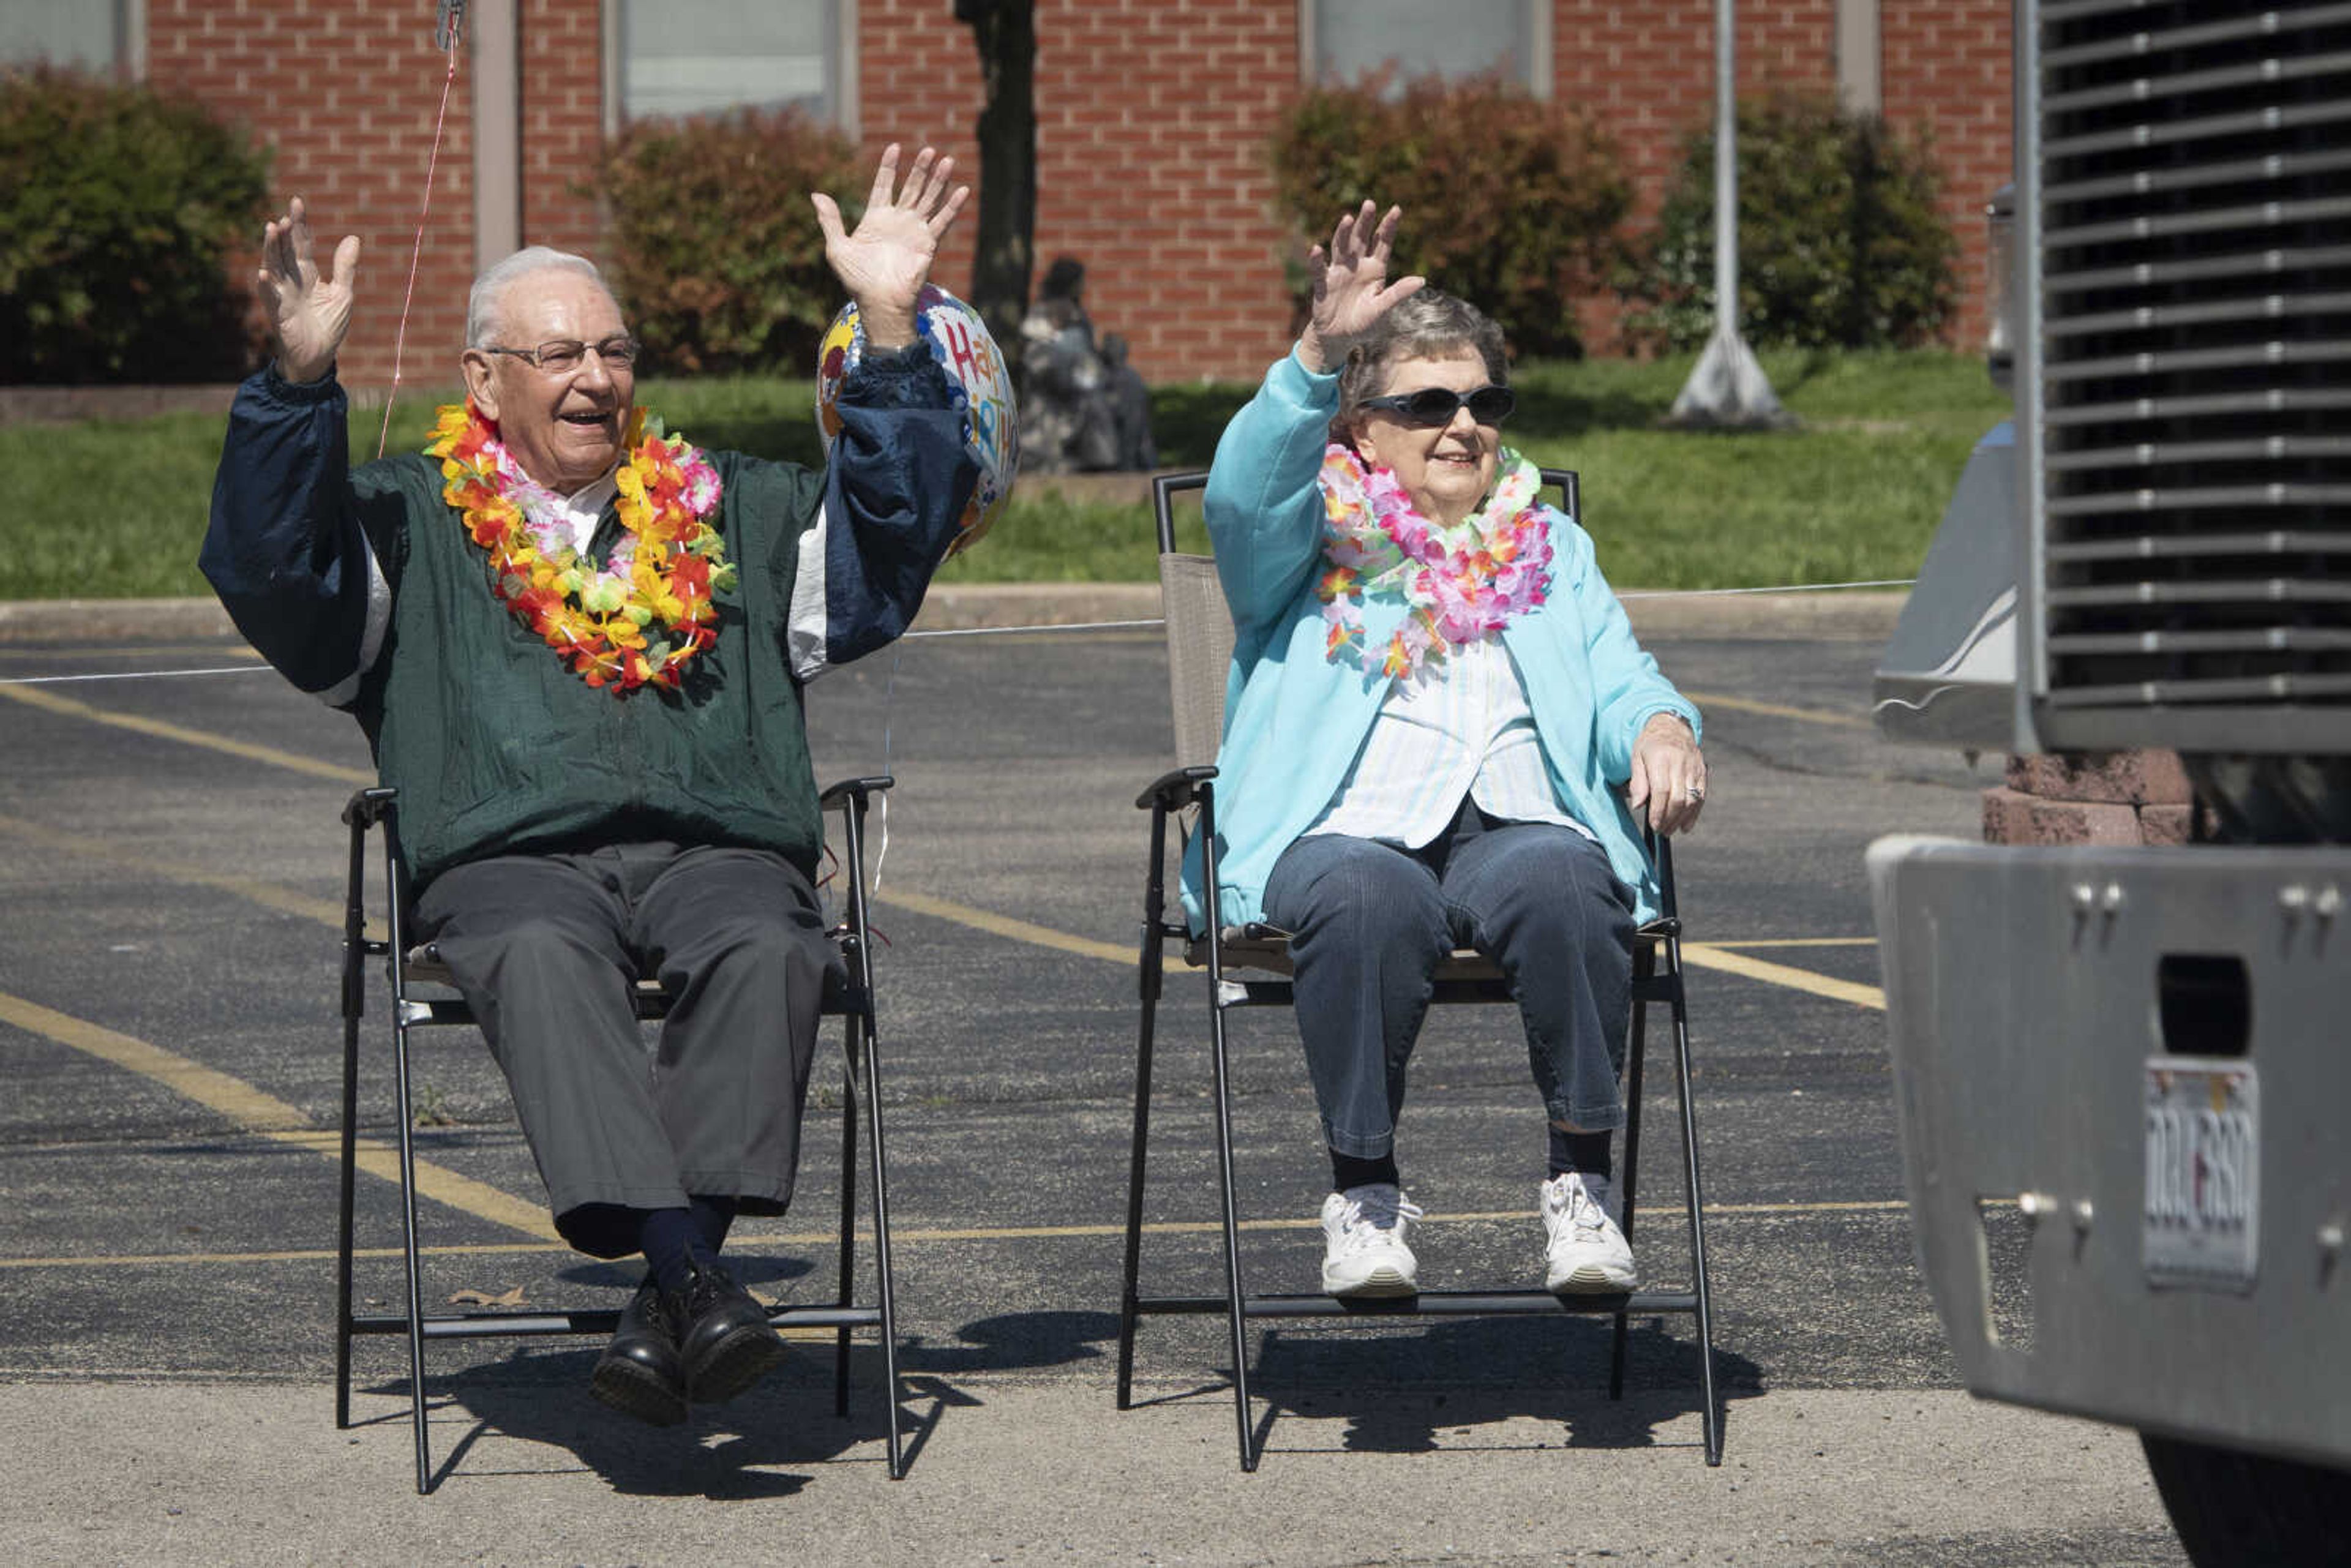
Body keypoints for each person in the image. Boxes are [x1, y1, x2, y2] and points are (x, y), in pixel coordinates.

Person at [200, 146, 981, 1427]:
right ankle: (692, 1274)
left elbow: (894, 540)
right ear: (482, 378)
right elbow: (275, 572)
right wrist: (295, 384)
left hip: (716, 843)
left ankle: (669, 1286)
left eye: (613, 352)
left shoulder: (735, 507)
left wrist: (890, 329)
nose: (595, 379)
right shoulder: (402, 519)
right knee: (539, 951)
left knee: (772, 944)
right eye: (558, 354)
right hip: (507, 863)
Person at [1187, 202, 1709, 1299]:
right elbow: (1241, 497)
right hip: (1338, 829)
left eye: (1482, 401)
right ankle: (1364, 1197)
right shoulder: (1307, 535)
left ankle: (1583, 1186)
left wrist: (1663, 726)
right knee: (1372, 900)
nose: (1462, 424)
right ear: (1362, 430)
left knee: (1572, 878)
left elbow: (1621, 676)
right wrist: (1314, 353)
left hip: (1516, 821)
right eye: (1427, 403)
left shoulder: (1551, 546)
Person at [1015, 255, 1120, 473]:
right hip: (1052, 398)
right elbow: (1038, 361)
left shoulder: (1078, 315)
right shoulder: (1041, 314)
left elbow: (1088, 352)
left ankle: (1104, 462)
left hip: (1082, 385)